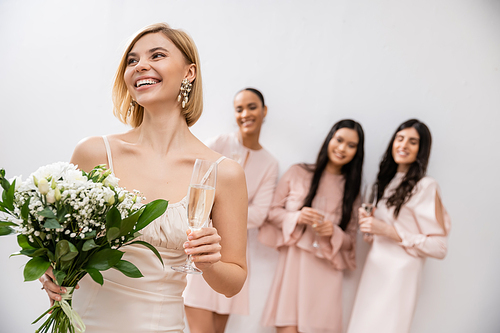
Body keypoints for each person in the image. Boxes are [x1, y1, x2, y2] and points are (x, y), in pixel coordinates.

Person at [38, 23, 248, 333]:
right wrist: (50, 270)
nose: (141, 66)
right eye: (132, 60)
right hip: (83, 321)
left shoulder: (223, 172)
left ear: (189, 72)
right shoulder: (94, 152)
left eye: (157, 55)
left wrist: (209, 263)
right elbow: (57, 242)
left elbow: (233, 283)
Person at [184, 88, 279, 333]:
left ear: (264, 111)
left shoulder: (270, 163)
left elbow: (260, 214)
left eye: (252, 107)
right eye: (239, 109)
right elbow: (191, 187)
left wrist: (221, 210)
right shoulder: (219, 144)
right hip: (204, 247)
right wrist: (232, 212)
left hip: (233, 257)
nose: (245, 113)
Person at [259, 119, 364, 333]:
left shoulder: (352, 192)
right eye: (340, 140)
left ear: (357, 152)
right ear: (330, 139)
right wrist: (296, 217)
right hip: (294, 268)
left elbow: (351, 241)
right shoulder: (298, 172)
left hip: (326, 276)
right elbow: (270, 212)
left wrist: (333, 231)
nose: (342, 148)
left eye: (351, 145)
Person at [347, 119, 451, 333]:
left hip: (400, 274)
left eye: (412, 142)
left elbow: (440, 248)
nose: (403, 145)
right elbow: (377, 235)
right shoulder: (384, 183)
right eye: (400, 138)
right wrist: (371, 229)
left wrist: (389, 231)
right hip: (375, 268)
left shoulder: (426, 186)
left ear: (421, 150)